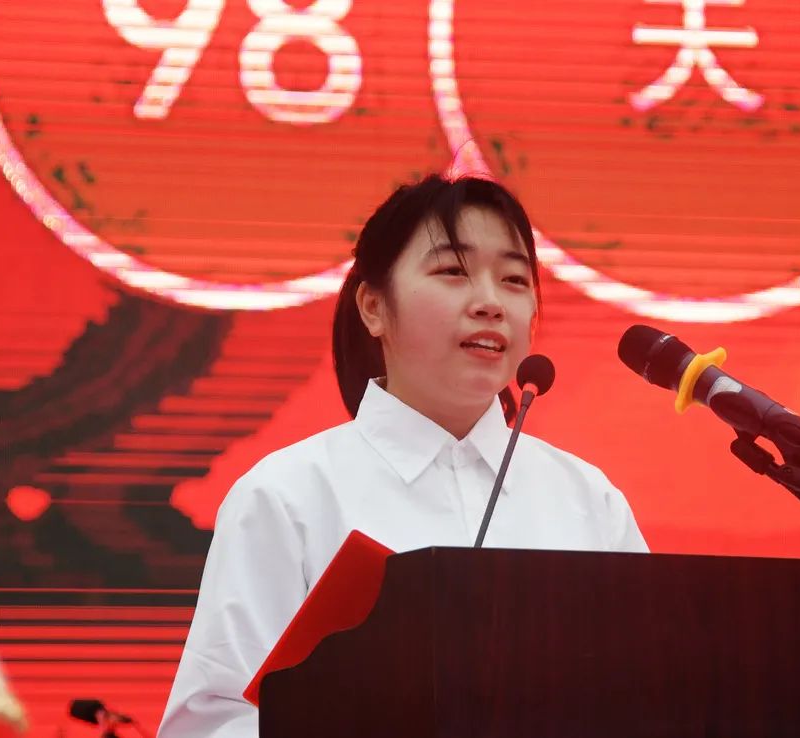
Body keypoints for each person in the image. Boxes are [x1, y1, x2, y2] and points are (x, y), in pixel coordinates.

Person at [158, 174, 649, 738]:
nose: (490, 302)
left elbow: (654, 695)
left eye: (514, 279)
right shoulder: (289, 495)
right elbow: (210, 725)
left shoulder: (588, 501)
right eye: (453, 271)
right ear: (374, 306)